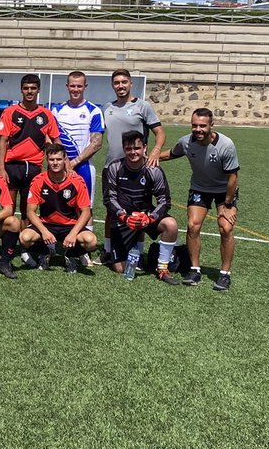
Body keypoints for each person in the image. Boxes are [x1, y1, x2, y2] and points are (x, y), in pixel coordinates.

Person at [159, 108, 239, 291]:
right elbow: (172, 153)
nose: (198, 129)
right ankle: (195, 270)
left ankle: (225, 274)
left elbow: (233, 178)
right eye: (194, 125)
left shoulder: (226, 145)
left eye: (203, 126)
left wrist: (227, 205)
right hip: (199, 188)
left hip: (223, 190)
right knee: (193, 226)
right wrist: (151, 157)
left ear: (212, 125)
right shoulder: (186, 142)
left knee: (226, 228)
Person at [102, 69, 166, 261]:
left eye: (124, 82)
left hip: (138, 168)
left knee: (140, 208)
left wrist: (155, 150)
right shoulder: (107, 107)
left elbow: (160, 132)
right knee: (110, 210)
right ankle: (107, 249)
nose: (120, 86)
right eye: (116, 83)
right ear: (112, 85)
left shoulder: (143, 106)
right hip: (112, 167)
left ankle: (136, 251)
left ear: (131, 84)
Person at [103, 131, 180, 284]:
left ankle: (162, 267)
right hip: (124, 218)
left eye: (137, 148)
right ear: (124, 149)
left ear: (145, 147)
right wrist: (124, 217)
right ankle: (136, 254)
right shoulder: (114, 167)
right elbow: (109, 199)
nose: (133, 152)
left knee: (171, 225)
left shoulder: (153, 169)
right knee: (120, 268)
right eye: (129, 149)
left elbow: (164, 201)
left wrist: (150, 218)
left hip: (146, 215)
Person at [19, 143, 98, 273]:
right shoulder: (38, 180)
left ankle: (70, 253)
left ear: (65, 159)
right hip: (47, 224)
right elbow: (30, 212)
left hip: (70, 225)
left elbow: (86, 212)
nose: (55, 163)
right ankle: (47, 250)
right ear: (47, 160)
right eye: (51, 159)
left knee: (91, 242)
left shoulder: (77, 181)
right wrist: (44, 231)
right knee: (24, 238)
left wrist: (73, 234)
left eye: (59, 159)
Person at [0, 73, 61, 225]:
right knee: (8, 209)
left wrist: (64, 162)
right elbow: (2, 141)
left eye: (33, 88)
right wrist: (1, 167)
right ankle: (9, 246)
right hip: (11, 167)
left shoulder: (46, 114)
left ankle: (24, 246)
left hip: (33, 168)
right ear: (21, 90)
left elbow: (56, 141)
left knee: (27, 211)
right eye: (26, 88)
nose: (29, 91)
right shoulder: (10, 112)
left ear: (38, 90)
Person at [51, 70, 105, 245]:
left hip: (83, 167)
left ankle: (82, 248)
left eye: (79, 86)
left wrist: (73, 163)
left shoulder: (94, 111)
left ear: (85, 87)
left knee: (84, 207)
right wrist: (64, 162)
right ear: (67, 86)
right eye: (72, 86)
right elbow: (53, 139)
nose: (76, 89)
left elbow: (96, 143)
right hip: (59, 167)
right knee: (57, 204)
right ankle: (53, 244)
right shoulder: (57, 110)